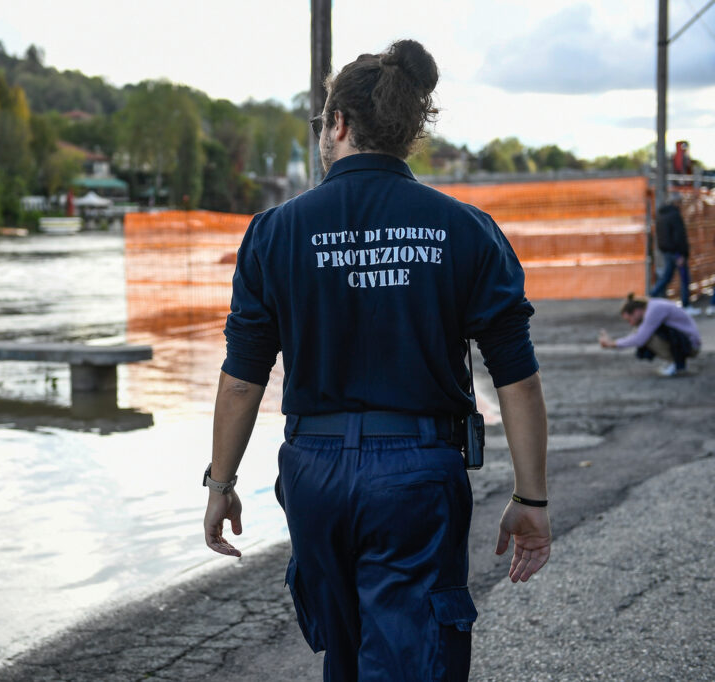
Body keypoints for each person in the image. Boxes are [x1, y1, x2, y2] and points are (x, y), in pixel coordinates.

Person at [202, 40, 550, 682]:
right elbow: (517, 381)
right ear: (409, 131)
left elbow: (242, 380)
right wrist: (532, 496)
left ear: (338, 123)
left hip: (314, 474)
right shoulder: (466, 229)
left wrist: (221, 484)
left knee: (345, 650)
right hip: (418, 476)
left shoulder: (275, 232)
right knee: (415, 656)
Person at [599, 294, 701, 376]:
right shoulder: (652, 306)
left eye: (629, 319)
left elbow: (640, 339)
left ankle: (675, 363)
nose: (631, 323)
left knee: (648, 337)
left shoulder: (654, 310)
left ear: (636, 311)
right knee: (644, 332)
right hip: (689, 342)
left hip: (691, 346)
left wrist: (613, 344)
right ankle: (674, 362)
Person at [649, 198, 699, 314]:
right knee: (684, 278)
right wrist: (682, 254)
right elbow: (679, 236)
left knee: (666, 277)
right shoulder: (674, 215)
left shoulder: (661, 215)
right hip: (676, 253)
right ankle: (686, 305)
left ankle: (651, 296)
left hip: (667, 251)